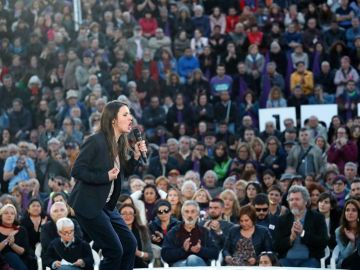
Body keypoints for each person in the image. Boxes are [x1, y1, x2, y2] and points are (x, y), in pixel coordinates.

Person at [68, 101, 147, 270]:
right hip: (89, 204)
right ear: (113, 120)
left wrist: (136, 156)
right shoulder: (96, 141)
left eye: (130, 114)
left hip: (108, 205)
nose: (130, 118)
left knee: (130, 245)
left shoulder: (120, 142)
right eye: (125, 114)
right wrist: (104, 176)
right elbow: (77, 170)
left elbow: (123, 170)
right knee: (114, 250)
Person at [274, 185, 328, 267]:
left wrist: (303, 233)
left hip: (310, 260)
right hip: (286, 260)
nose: (294, 202)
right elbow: (276, 246)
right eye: (291, 200)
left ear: (306, 201)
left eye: (297, 199)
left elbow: (323, 242)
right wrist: (291, 238)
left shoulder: (317, 218)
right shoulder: (282, 220)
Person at [161, 200, 219, 266]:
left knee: (192, 259)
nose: (189, 215)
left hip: (199, 263)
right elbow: (165, 254)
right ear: (182, 215)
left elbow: (215, 253)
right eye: (186, 212)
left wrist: (200, 250)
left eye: (193, 212)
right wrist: (183, 250)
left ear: (197, 214)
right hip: (179, 264)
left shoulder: (204, 232)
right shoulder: (174, 232)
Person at [0, 204, 35, 270]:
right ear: (1, 215)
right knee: (9, 255)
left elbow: (23, 252)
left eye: (12, 213)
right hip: (1, 262)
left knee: (12, 256)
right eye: (6, 213)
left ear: (15, 217)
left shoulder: (21, 230)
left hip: (19, 260)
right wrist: (7, 240)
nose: (9, 215)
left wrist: (12, 244)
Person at [119, 204, 153, 268]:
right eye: (124, 213)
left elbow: (150, 256)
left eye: (130, 213)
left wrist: (138, 253)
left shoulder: (142, 230)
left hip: (139, 265)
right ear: (119, 216)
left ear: (135, 216)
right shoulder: (113, 231)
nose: (127, 216)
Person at [335, 199, 360, 270]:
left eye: (354, 210)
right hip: (345, 262)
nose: (350, 213)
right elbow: (344, 255)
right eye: (347, 210)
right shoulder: (339, 231)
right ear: (344, 213)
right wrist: (352, 241)